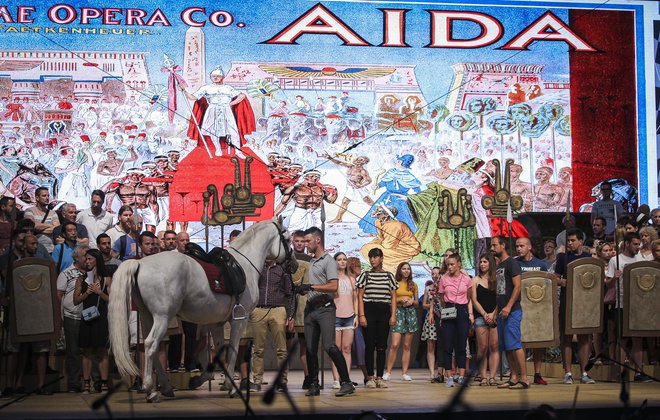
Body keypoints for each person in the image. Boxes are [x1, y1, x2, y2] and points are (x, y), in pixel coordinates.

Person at [298, 227, 355, 396]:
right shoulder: (312, 262)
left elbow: (333, 286)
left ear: (317, 240)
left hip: (325, 308)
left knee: (329, 346)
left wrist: (312, 286)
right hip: (311, 308)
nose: (306, 244)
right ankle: (314, 384)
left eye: (308, 241)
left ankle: (346, 382)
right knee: (310, 348)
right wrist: (303, 289)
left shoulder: (328, 261)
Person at [605, 233, 652, 382]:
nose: (638, 247)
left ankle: (639, 373)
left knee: (637, 338)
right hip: (621, 302)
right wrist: (615, 278)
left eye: (639, 244)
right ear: (626, 244)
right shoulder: (615, 260)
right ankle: (620, 373)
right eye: (635, 244)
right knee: (622, 339)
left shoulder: (640, 259)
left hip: (638, 304)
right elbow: (608, 284)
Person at [182, 66, 253, 157]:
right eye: (213, 76)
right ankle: (218, 149)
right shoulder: (206, 88)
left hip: (226, 110)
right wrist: (184, 91)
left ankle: (238, 151)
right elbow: (193, 97)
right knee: (213, 131)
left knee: (233, 131)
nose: (215, 78)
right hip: (212, 110)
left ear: (222, 77)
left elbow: (242, 95)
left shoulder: (228, 88)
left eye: (217, 76)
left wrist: (231, 104)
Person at [554, 228, 595, 385]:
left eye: (572, 240)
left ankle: (584, 372)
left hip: (584, 302)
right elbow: (556, 278)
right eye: (568, 241)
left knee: (585, 336)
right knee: (567, 337)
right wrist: (561, 282)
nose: (570, 243)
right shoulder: (562, 258)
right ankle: (568, 372)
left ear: (580, 241)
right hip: (567, 301)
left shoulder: (587, 257)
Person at [490, 236, 528, 389]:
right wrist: (496, 310)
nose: (492, 248)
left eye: (494, 245)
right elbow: (501, 291)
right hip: (502, 312)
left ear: (503, 245)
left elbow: (517, 287)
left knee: (515, 344)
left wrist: (508, 306)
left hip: (512, 311)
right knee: (506, 346)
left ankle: (524, 378)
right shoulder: (500, 266)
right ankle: (513, 377)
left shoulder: (512, 263)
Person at [250, 258, 294, 392]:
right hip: (258, 309)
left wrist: (291, 315)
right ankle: (257, 381)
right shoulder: (257, 268)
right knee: (257, 349)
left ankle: (282, 381)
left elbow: (290, 293)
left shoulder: (282, 270)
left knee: (282, 349)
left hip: (278, 310)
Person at [356, 247, 398, 389]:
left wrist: (393, 315)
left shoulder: (389, 276)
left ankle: (380, 377)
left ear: (381, 258)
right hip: (369, 310)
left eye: (375, 257)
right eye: (371, 257)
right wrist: (361, 315)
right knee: (369, 345)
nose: (373, 260)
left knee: (381, 345)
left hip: (384, 311)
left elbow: (393, 297)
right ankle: (370, 377)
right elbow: (360, 296)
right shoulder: (365, 275)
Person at [74, 248, 112, 394]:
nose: (87, 261)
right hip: (87, 317)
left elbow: (112, 299)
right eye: (86, 259)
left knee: (103, 350)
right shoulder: (81, 279)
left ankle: (103, 383)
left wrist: (99, 292)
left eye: (90, 259)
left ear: (97, 260)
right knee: (87, 351)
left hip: (101, 317)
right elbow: (76, 300)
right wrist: (87, 293)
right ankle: (86, 383)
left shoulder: (106, 278)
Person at [514, 237, 549, 385]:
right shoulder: (514, 264)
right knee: (519, 341)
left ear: (529, 247)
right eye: (517, 246)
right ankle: (521, 374)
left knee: (537, 342)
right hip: (519, 307)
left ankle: (537, 373)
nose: (518, 249)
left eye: (521, 246)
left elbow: (547, 286)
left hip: (537, 309)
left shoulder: (541, 265)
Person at [56, 245, 90, 393]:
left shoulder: (92, 273)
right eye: (84, 256)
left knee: (89, 351)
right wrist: (59, 317)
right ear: (76, 257)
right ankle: (74, 384)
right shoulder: (66, 273)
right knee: (73, 351)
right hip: (72, 316)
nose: (87, 259)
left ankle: (91, 381)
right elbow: (59, 296)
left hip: (89, 316)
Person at [438, 253, 473, 387]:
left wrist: (463, 308)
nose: (450, 267)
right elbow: (442, 297)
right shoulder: (444, 279)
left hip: (462, 310)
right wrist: (448, 307)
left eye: (452, 264)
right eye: (448, 264)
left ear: (458, 264)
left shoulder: (466, 279)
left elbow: (469, 296)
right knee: (447, 346)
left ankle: (462, 376)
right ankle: (449, 377)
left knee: (461, 345)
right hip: (448, 309)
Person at [384, 262, 418, 382]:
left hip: (410, 313)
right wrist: (400, 299)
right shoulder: (394, 283)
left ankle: (405, 373)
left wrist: (411, 301)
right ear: (400, 270)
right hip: (397, 312)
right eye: (404, 269)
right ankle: (388, 372)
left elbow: (417, 302)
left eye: (408, 269)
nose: (406, 271)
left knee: (407, 345)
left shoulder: (413, 284)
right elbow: (389, 299)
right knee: (394, 344)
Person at [471, 253, 499, 386]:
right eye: (481, 262)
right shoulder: (475, 279)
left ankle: (492, 377)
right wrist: (484, 314)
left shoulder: (497, 279)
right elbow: (474, 300)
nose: (482, 264)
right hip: (481, 317)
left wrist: (493, 314)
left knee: (494, 346)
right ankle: (483, 377)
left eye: (485, 262)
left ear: (490, 263)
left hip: (495, 316)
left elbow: (500, 298)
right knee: (482, 347)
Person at [331, 252, 358, 389]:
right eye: (339, 259)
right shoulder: (332, 278)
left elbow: (355, 298)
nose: (342, 262)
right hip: (335, 316)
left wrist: (357, 315)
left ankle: (346, 378)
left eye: (344, 259)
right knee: (336, 349)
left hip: (349, 316)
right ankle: (336, 379)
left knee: (347, 349)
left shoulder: (351, 279)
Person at [288, 230, 311, 389]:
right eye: (297, 241)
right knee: (285, 346)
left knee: (305, 345)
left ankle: (308, 376)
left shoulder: (311, 260)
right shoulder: (286, 259)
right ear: (292, 241)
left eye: (302, 241)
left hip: (303, 307)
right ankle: (283, 379)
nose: (299, 244)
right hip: (287, 304)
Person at [422, 267, 443, 383]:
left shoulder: (443, 286)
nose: (434, 275)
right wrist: (431, 306)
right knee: (430, 346)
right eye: (432, 273)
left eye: (437, 273)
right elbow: (424, 304)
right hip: (431, 318)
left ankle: (442, 372)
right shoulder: (428, 288)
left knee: (442, 345)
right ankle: (431, 372)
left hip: (442, 317)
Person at [595, 242, 615, 363]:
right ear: (600, 253)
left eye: (610, 250)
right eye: (605, 250)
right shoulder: (597, 265)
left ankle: (612, 356)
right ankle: (598, 355)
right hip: (599, 298)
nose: (608, 252)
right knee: (598, 329)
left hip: (612, 298)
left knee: (612, 328)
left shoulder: (614, 263)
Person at [24, 186, 59, 253]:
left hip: (51, 249)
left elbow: (56, 229)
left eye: (48, 196)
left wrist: (39, 227)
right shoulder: (29, 211)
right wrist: (50, 226)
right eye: (44, 196)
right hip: (35, 249)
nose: (47, 198)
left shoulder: (53, 213)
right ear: (37, 198)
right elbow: (32, 226)